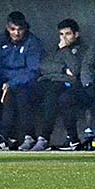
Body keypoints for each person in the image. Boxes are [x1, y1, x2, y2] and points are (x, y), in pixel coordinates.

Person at [0, 11, 45, 151]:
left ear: (25, 28)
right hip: (3, 83)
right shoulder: (0, 41)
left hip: (26, 85)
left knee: (15, 94)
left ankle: (16, 136)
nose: (16, 33)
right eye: (13, 29)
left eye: (20, 30)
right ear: (7, 28)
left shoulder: (32, 43)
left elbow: (33, 71)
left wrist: (10, 84)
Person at [31, 18, 89, 151]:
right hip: (49, 82)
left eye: (68, 34)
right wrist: (62, 69)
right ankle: (26, 137)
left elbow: (75, 70)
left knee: (54, 95)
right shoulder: (55, 50)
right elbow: (43, 66)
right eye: (61, 34)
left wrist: (65, 51)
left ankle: (44, 138)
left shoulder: (82, 51)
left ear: (76, 34)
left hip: (68, 86)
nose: (64, 38)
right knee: (25, 93)